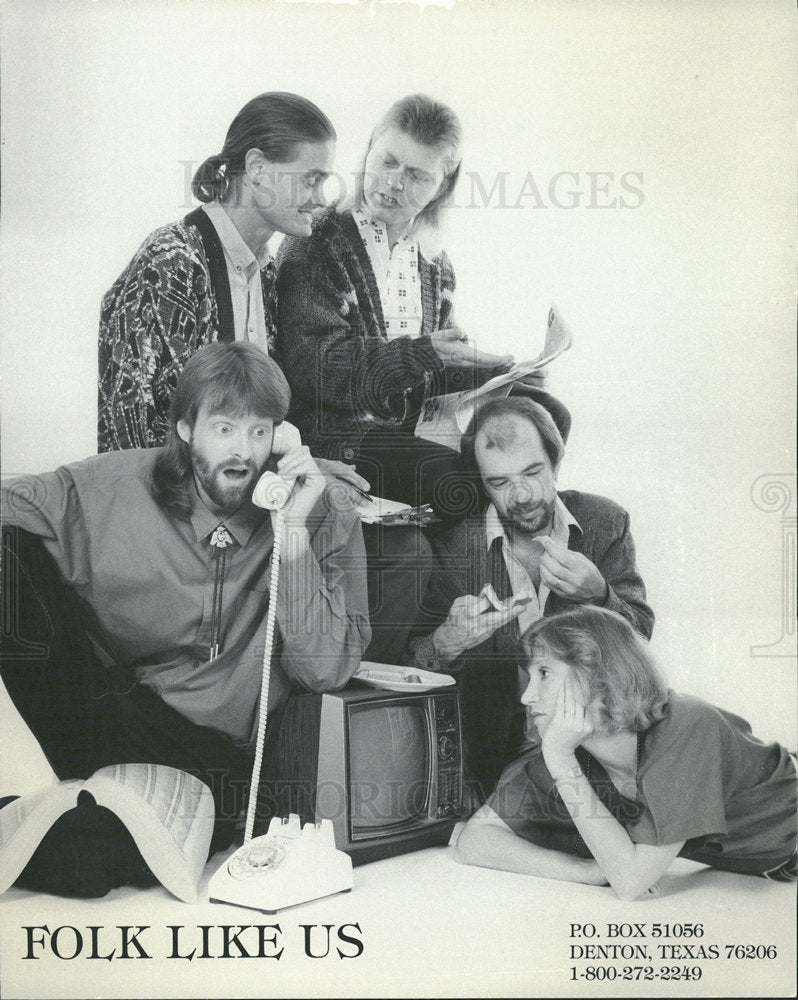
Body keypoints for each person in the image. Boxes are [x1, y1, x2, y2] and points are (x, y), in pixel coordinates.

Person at [1, 342, 370, 896]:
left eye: (260, 431)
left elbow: (322, 670)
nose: (243, 451)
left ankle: (48, 816)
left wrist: (292, 534)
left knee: (87, 861)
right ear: (184, 429)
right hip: (112, 710)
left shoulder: (323, 510)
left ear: (281, 438)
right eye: (224, 428)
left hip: (214, 759)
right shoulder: (119, 483)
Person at [275, 93, 571, 516]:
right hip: (338, 433)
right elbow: (314, 371)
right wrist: (424, 353)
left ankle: (503, 551)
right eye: (388, 161)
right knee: (457, 483)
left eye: (417, 176)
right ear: (370, 147)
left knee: (547, 416)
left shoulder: (434, 263)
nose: (393, 183)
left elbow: (431, 374)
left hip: (416, 426)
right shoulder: (317, 240)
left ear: (441, 186)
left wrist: (494, 373)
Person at [454, 606, 797, 898]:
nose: (526, 697)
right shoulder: (571, 750)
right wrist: (587, 871)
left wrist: (561, 763)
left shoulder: (688, 725)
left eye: (544, 673)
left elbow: (629, 883)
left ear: (598, 675)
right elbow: (475, 840)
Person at [409, 395, 654, 802]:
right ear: (482, 482)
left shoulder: (604, 522)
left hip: (593, 747)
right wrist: (447, 641)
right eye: (499, 483)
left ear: (555, 462)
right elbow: (410, 665)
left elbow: (640, 639)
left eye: (533, 472)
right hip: (492, 763)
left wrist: (600, 594)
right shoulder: (453, 548)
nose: (521, 495)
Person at [98, 91, 338, 454]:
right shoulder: (171, 262)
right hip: (161, 502)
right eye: (310, 180)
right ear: (257, 168)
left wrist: (309, 469)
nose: (321, 199)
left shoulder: (267, 270)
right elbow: (132, 440)